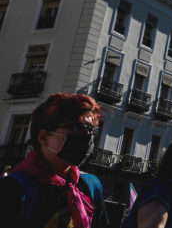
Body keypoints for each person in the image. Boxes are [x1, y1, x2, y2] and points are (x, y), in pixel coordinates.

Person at [0, 93, 107, 228]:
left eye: (91, 130)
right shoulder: (12, 188)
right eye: (76, 128)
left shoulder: (91, 185)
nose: (87, 136)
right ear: (43, 137)